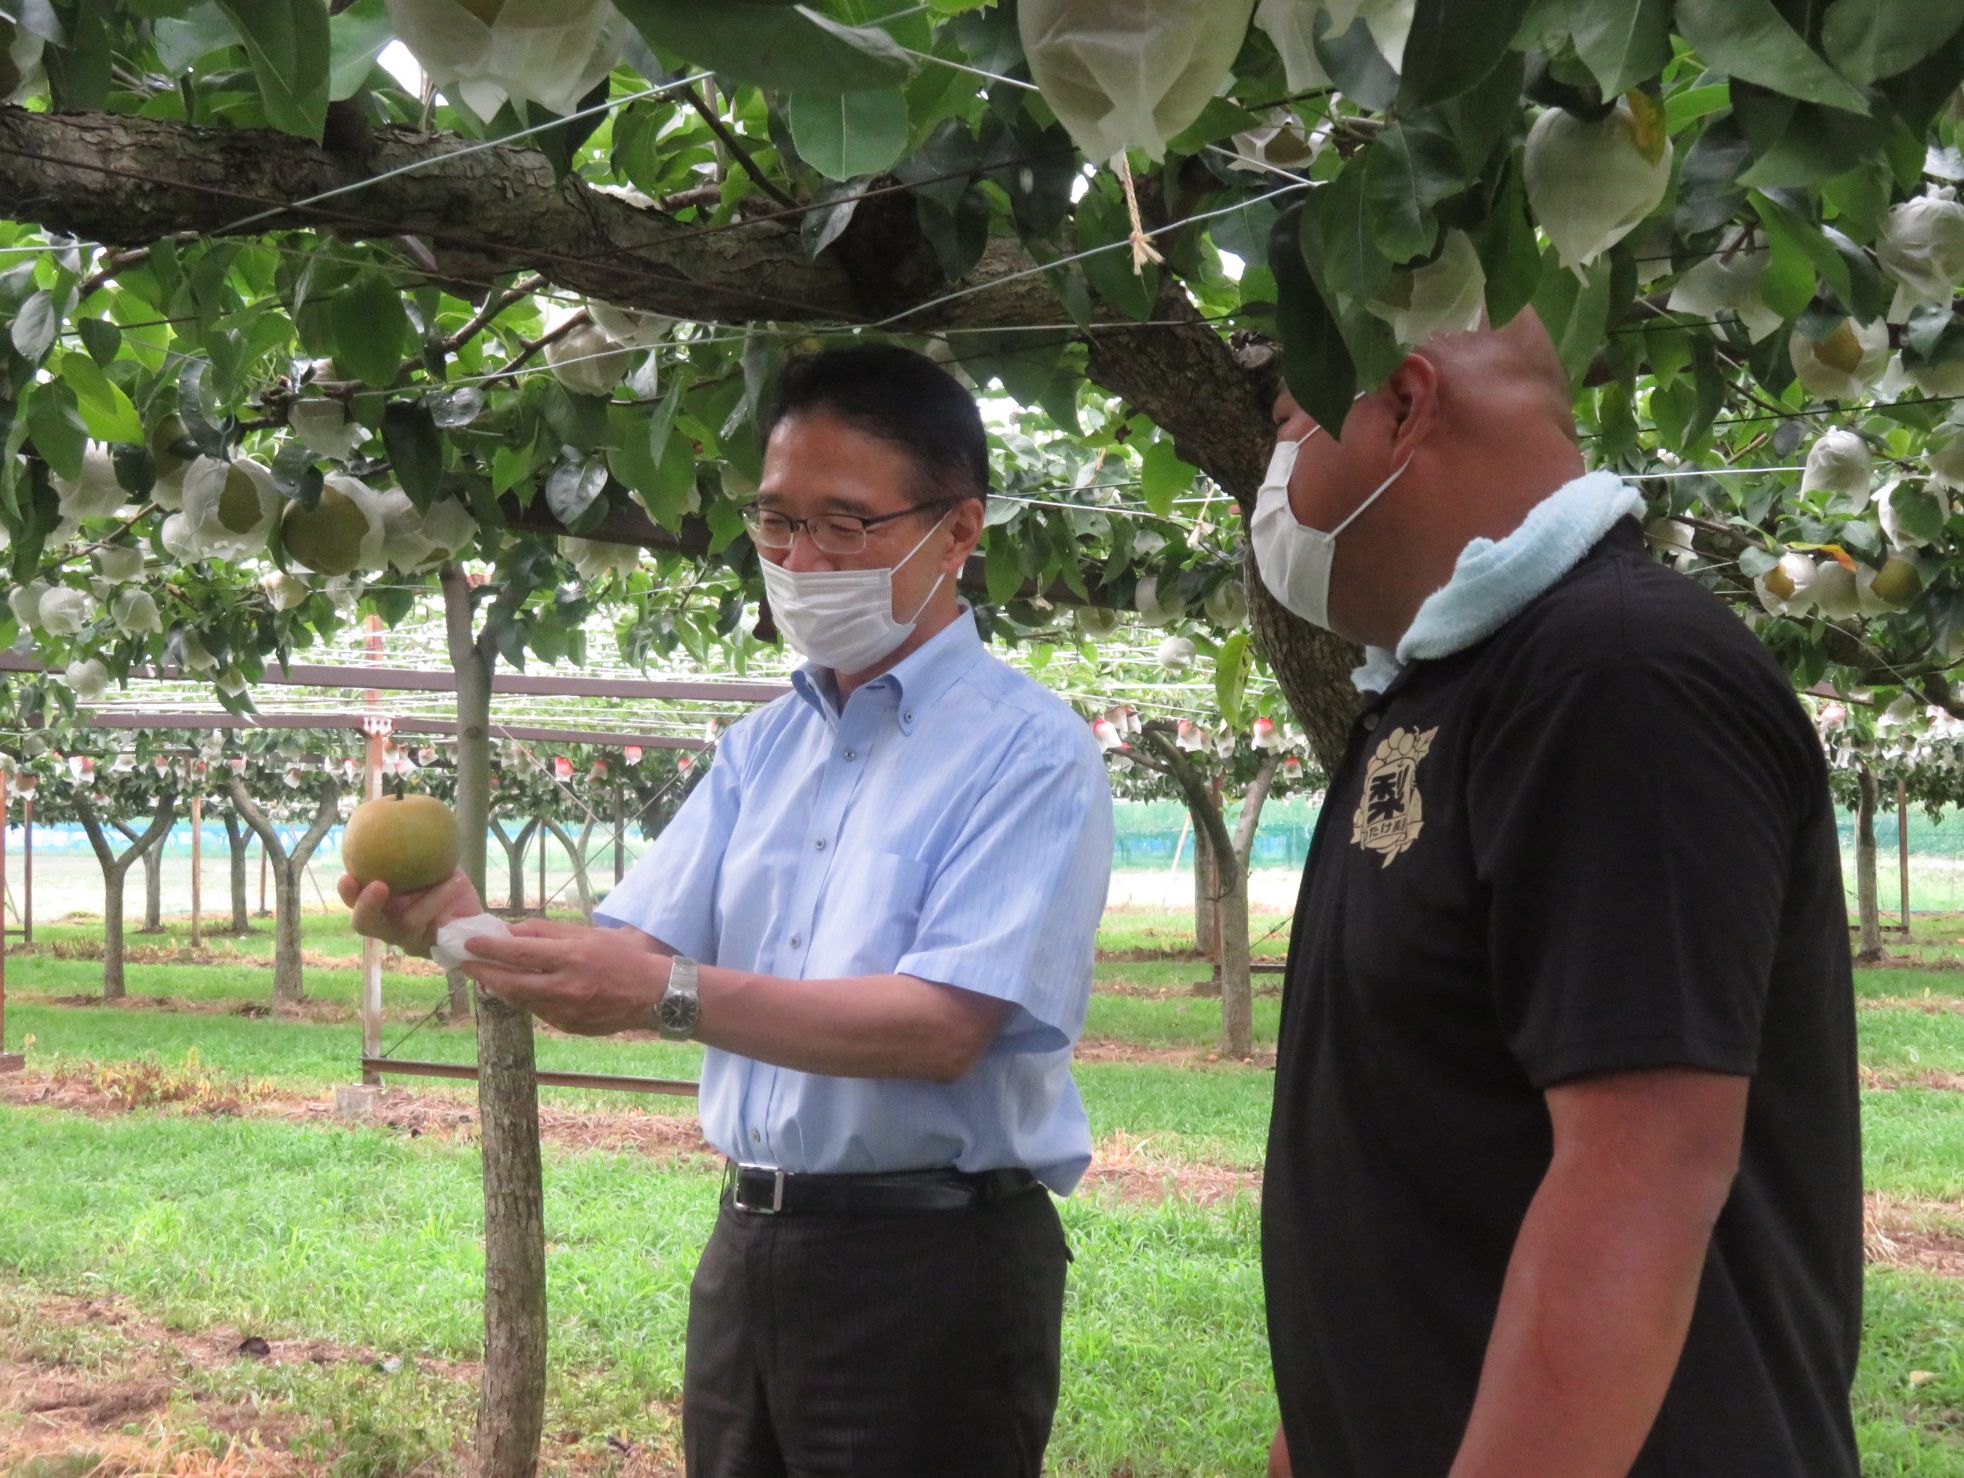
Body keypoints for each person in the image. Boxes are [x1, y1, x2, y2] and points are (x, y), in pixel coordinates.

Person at [342, 345, 1114, 1477]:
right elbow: (622, 965)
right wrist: (461, 927)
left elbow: (940, 1026)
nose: (800, 560)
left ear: (957, 529)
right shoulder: (763, 747)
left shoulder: (1026, 750)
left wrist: (666, 993)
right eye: (774, 523)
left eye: (844, 525)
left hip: (933, 1265)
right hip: (750, 1243)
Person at [1249, 311, 1861, 1476]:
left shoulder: (1614, 674)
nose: (1267, 479)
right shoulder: (1443, 692)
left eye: (1285, 420)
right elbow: (1426, 1122)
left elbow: (1639, 1168)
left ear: (1405, 402)